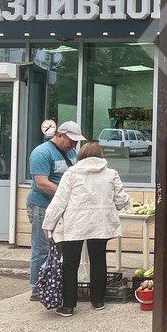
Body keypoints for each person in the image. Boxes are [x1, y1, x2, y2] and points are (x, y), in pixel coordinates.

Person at [42, 140, 131, 316]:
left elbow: (59, 201)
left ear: (80, 156)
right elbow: (120, 200)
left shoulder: (71, 173)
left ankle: (68, 306)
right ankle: (98, 301)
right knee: (98, 260)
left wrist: (48, 224)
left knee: (70, 264)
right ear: (101, 156)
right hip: (100, 224)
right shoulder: (110, 174)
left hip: (74, 224)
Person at [26, 119, 85, 301]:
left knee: (58, 248)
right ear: (60, 135)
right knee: (42, 248)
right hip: (43, 206)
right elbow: (41, 183)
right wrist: (65, 196)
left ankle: (50, 284)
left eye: (76, 141)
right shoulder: (42, 153)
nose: (74, 144)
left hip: (63, 208)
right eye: (71, 140)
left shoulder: (71, 151)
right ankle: (37, 288)